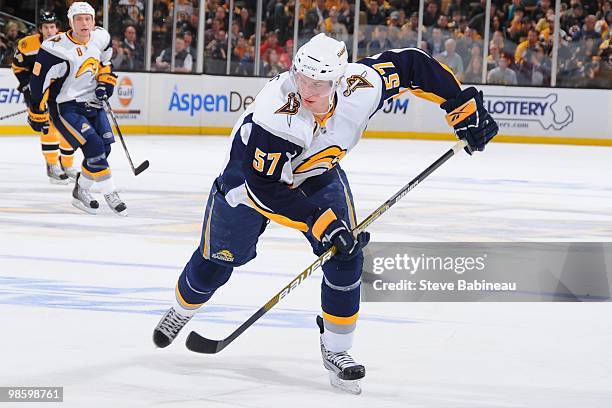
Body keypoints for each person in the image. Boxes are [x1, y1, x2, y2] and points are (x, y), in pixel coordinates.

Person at [152, 34, 498, 394]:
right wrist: (322, 223)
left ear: (339, 81)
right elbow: (264, 188)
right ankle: (183, 308)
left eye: (318, 84)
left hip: (317, 172)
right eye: (301, 78)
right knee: (217, 261)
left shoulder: (361, 86)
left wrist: (463, 109)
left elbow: (413, 65)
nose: (306, 90)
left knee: (346, 255)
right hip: (250, 181)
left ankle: (337, 349)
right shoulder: (278, 112)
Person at [28, 2, 127, 216]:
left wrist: (105, 84)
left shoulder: (101, 38)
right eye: (79, 19)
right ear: (71, 22)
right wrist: (36, 108)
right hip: (66, 106)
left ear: (93, 21)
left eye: (88, 18)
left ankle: (81, 190)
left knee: (104, 149)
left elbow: (106, 63)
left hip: (93, 103)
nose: (84, 23)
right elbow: (37, 83)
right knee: (93, 145)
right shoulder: (55, 48)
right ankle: (111, 192)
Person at [11, 10, 78, 184]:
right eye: (46, 27)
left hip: (60, 93)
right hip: (38, 93)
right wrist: (27, 86)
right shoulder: (27, 45)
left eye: (52, 27)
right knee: (47, 127)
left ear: (57, 28)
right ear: (40, 29)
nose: (49, 30)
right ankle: (52, 165)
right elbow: (18, 68)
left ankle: (67, 165)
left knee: (68, 127)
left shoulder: (67, 42)